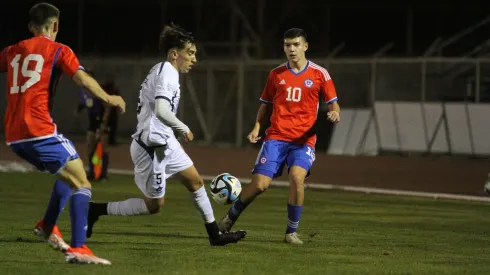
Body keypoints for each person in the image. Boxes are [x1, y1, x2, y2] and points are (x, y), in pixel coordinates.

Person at [86, 23, 247, 246]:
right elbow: (161, 110)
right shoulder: (167, 73)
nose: (194, 59)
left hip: (164, 142)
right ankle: (95, 210)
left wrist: (171, 131)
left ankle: (215, 236)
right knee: (154, 206)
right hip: (151, 149)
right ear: (174, 54)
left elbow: (156, 109)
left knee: (195, 181)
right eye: (190, 53)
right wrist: (183, 128)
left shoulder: (163, 70)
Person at [0, 3, 125, 264]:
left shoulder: (12, 50)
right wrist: (109, 97)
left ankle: (47, 227)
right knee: (82, 182)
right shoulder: (58, 50)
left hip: (13, 134)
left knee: (70, 171)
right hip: (38, 129)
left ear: (30, 27)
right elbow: (82, 79)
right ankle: (79, 248)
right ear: (55, 25)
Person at [218, 28, 341, 245]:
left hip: (303, 142)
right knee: (260, 185)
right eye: (287, 45)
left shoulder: (320, 74)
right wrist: (257, 127)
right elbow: (265, 105)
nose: (291, 49)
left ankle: (291, 232)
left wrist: (334, 112)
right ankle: (228, 219)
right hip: (275, 138)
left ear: (305, 46)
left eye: (295, 44)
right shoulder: (276, 75)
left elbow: (333, 103)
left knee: (296, 177)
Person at [76, 69, 111, 181]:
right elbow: (85, 103)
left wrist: (104, 123)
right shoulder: (84, 90)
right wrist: (79, 109)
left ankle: (103, 174)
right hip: (92, 123)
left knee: (102, 148)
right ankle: (92, 173)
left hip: (102, 123)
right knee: (90, 148)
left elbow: (107, 106)